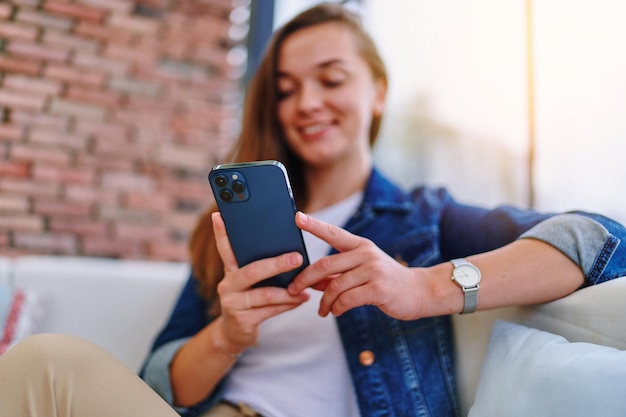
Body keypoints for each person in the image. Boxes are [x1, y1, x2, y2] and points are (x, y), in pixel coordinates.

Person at [0, 3, 625, 417]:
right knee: (45, 365)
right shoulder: (228, 230)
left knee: (42, 362)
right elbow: (160, 385)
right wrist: (228, 334)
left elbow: (602, 238)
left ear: (377, 92)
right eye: (287, 88)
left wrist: (425, 285)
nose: (306, 103)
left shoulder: (423, 220)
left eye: (330, 79)